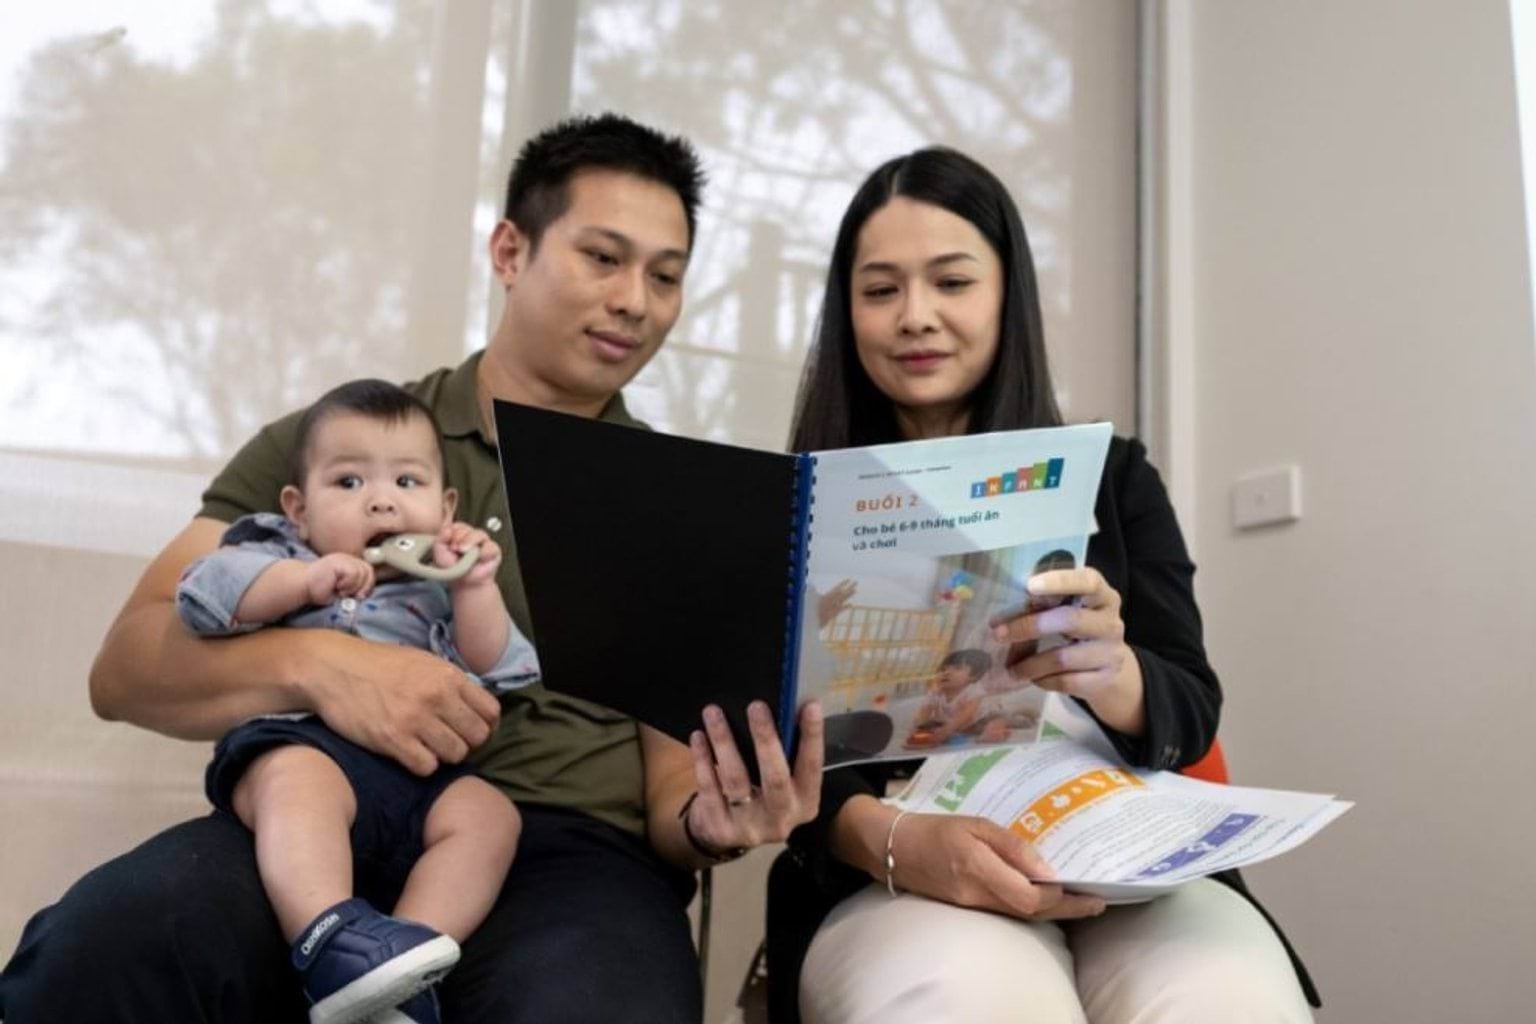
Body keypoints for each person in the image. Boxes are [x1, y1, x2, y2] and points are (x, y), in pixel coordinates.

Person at [0, 113, 824, 1024]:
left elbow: (674, 791)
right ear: (511, 250)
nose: (636, 299)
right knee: (110, 944)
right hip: (327, 804)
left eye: (665, 277)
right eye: (603, 257)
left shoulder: (674, 499)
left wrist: (713, 825)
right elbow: (126, 667)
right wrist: (327, 668)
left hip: (572, 860)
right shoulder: (347, 448)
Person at [767, 147, 1318, 1023]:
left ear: (1006, 295)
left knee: (1227, 998)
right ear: (846, 312)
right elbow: (773, 752)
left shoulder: (1114, 475)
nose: (916, 317)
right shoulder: (797, 502)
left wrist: (1119, 675)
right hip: (900, 864)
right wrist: (892, 839)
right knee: (968, 997)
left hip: (1124, 854)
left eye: (952, 282)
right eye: (880, 291)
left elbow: (1189, 702)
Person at [178, 378, 537, 1023]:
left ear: (445, 504)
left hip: (415, 777)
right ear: (298, 508)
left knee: (490, 817)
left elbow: (499, 668)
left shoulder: (439, 593)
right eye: (349, 484)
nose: (381, 504)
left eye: (408, 484)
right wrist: (300, 582)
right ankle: (327, 940)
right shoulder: (277, 551)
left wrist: (475, 587)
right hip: (301, 747)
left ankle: (404, 960)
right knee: (299, 785)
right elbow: (204, 595)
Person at [901, 648, 993, 749]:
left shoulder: (973, 691)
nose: (947, 672)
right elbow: (925, 711)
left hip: (973, 722)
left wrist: (948, 730)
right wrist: (919, 727)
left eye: (957, 668)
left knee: (989, 725)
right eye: (943, 669)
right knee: (925, 725)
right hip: (945, 722)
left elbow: (966, 715)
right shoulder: (937, 691)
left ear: (973, 676)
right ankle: (936, 734)